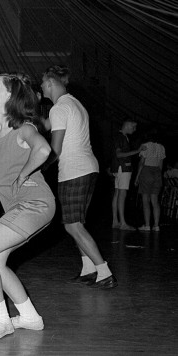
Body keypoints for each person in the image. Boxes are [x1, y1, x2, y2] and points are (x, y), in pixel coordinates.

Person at [0, 73, 55, 341]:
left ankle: (1, 320)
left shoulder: (23, 128)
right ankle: (29, 317)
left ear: (9, 96)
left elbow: (43, 150)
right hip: (19, 208)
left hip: (35, 203)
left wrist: (24, 174)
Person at [41, 65, 117, 290]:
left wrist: (39, 167)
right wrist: (30, 115)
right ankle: (89, 269)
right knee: (76, 224)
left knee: (72, 225)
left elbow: (55, 150)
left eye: (43, 83)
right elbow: (45, 125)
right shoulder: (73, 104)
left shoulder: (59, 109)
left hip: (75, 170)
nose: (41, 87)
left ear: (51, 83)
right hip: (87, 167)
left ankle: (104, 272)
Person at [111, 118, 143, 230]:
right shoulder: (121, 137)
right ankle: (123, 223)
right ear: (128, 125)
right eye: (133, 127)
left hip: (119, 168)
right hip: (123, 168)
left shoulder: (121, 137)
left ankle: (115, 221)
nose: (134, 130)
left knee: (117, 194)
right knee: (122, 194)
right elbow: (119, 155)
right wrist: (137, 151)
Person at [135, 131, 166, 232]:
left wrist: (137, 177)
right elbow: (161, 165)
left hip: (146, 171)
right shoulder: (161, 147)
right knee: (155, 201)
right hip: (157, 172)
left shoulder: (145, 145)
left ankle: (147, 225)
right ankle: (156, 225)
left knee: (145, 201)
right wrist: (157, 176)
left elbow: (142, 162)